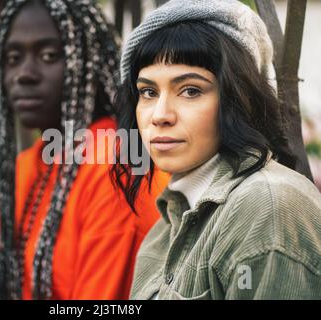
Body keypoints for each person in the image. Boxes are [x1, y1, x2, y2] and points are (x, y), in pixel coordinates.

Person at [112, 0, 321, 299]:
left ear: (239, 98)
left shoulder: (266, 208)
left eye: (191, 90)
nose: (160, 115)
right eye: (148, 92)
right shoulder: (166, 224)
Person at [0, 0, 169, 300]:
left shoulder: (118, 168)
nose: (24, 74)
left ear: (91, 60)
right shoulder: (28, 166)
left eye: (48, 55)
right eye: (12, 58)